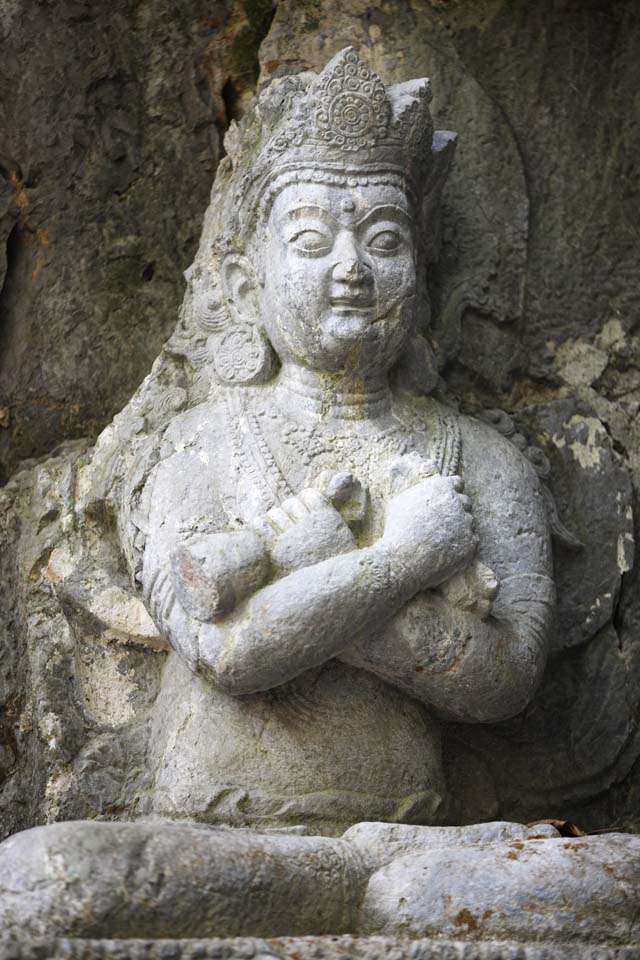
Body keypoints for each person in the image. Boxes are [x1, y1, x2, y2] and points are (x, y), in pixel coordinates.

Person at [1, 49, 634, 944]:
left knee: (487, 890)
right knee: (51, 881)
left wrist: (303, 580)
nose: (350, 267)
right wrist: (402, 559)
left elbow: (506, 679)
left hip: (416, 838)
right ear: (243, 276)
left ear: (424, 275)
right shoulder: (199, 441)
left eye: (384, 240)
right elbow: (233, 653)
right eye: (309, 240)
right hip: (228, 837)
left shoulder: (478, 456)